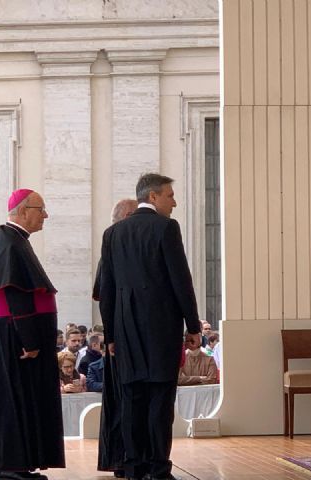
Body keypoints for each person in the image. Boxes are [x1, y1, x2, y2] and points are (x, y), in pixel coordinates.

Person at [99, 174, 201, 480]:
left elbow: (107, 289)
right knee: (159, 398)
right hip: (161, 328)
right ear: (153, 197)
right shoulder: (166, 228)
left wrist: (111, 335)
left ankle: (133, 466)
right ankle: (157, 468)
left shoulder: (113, 233)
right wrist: (193, 326)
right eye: (170, 195)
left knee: (131, 399)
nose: (175, 201)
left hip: (125, 330)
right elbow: (180, 280)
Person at [0, 188, 64, 480]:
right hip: (17, 337)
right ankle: (11, 468)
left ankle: (17, 464)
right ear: (24, 210)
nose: (45, 215)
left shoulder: (14, 240)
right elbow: (16, 294)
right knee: (15, 400)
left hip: (17, 334)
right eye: (41, 209)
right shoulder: (10, 242)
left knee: (23, 400)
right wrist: (29, 339)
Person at [92, 197, 137, 479]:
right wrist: (111, 336)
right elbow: (103, 294)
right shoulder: (112, 247)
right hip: (119, 339)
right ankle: (120, 459)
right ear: (124, 217)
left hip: (125, 336)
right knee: (121, 401)